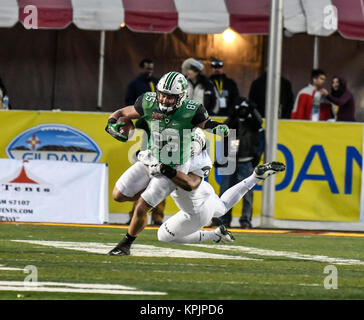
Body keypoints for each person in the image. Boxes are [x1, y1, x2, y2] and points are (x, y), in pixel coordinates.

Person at [105, 71, 230, 256]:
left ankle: (126, 245)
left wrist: (219, 127)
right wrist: (111, 124)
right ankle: (150, 197)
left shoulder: (192, 109)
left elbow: (208, 124)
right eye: (162, 94)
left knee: (142, 206)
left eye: (170, 97)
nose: (164, 100)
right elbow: (122, 113)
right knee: (119, 195)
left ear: (181, 97)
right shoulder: (148, 101)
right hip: (150, 157)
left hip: (173, 166)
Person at [150, 129, 286, 244]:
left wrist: (160, 167)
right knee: (222, 207)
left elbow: (188, 183)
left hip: (196, 209)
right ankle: (254, 178)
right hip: (204, 192)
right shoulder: (202, 158)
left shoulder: (183, 158)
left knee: (163, 235)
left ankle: (213, 235)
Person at [216, 97, 264, 229]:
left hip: (246, 160)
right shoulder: (232, 122)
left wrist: (252, 109)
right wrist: (234, 113)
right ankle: (223, 219)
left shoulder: (253, 123)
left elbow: (259, 125)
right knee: (225, 192)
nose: (242, 111)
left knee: (247, 193)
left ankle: (245, 219)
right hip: (230, 160)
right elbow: (223, 132)